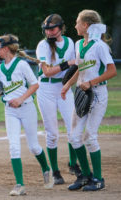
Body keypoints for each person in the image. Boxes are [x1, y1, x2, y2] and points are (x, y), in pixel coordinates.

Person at [0, 34, 53, 196]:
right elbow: (2, 92)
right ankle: (19, 185)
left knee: (34, 147)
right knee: (14, 146)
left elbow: (35, 84)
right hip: (10, 110)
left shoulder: (21, 65)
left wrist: (21, 98)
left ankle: (46, 168)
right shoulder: (0, 69)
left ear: (7, 49)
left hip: (27, 108)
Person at [61, 9, 117, 191]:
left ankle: (99, 179)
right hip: (81, 94)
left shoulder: (99, 46)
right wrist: (68, 84)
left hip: (98, 94)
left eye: (77, 22)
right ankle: (85, 176)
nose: (75, 25)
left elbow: (112, 71)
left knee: (90, 137)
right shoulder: (78, 44)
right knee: (74, 136)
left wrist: (91, 82)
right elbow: (80, 68)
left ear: (86, 25)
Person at [36, 14, 81, 185]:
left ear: (61, 28)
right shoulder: (43, 45)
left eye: (53, 28)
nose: (49, 32)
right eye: (47, 29)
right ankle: (55, 170)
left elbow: (78, 64)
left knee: (73, 129)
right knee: (52, 133)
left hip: (64, 87)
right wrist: (68, 63)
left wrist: (70, 82)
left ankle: (73, 163)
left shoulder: (70, 43)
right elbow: (47, 72)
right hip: (46, 88)